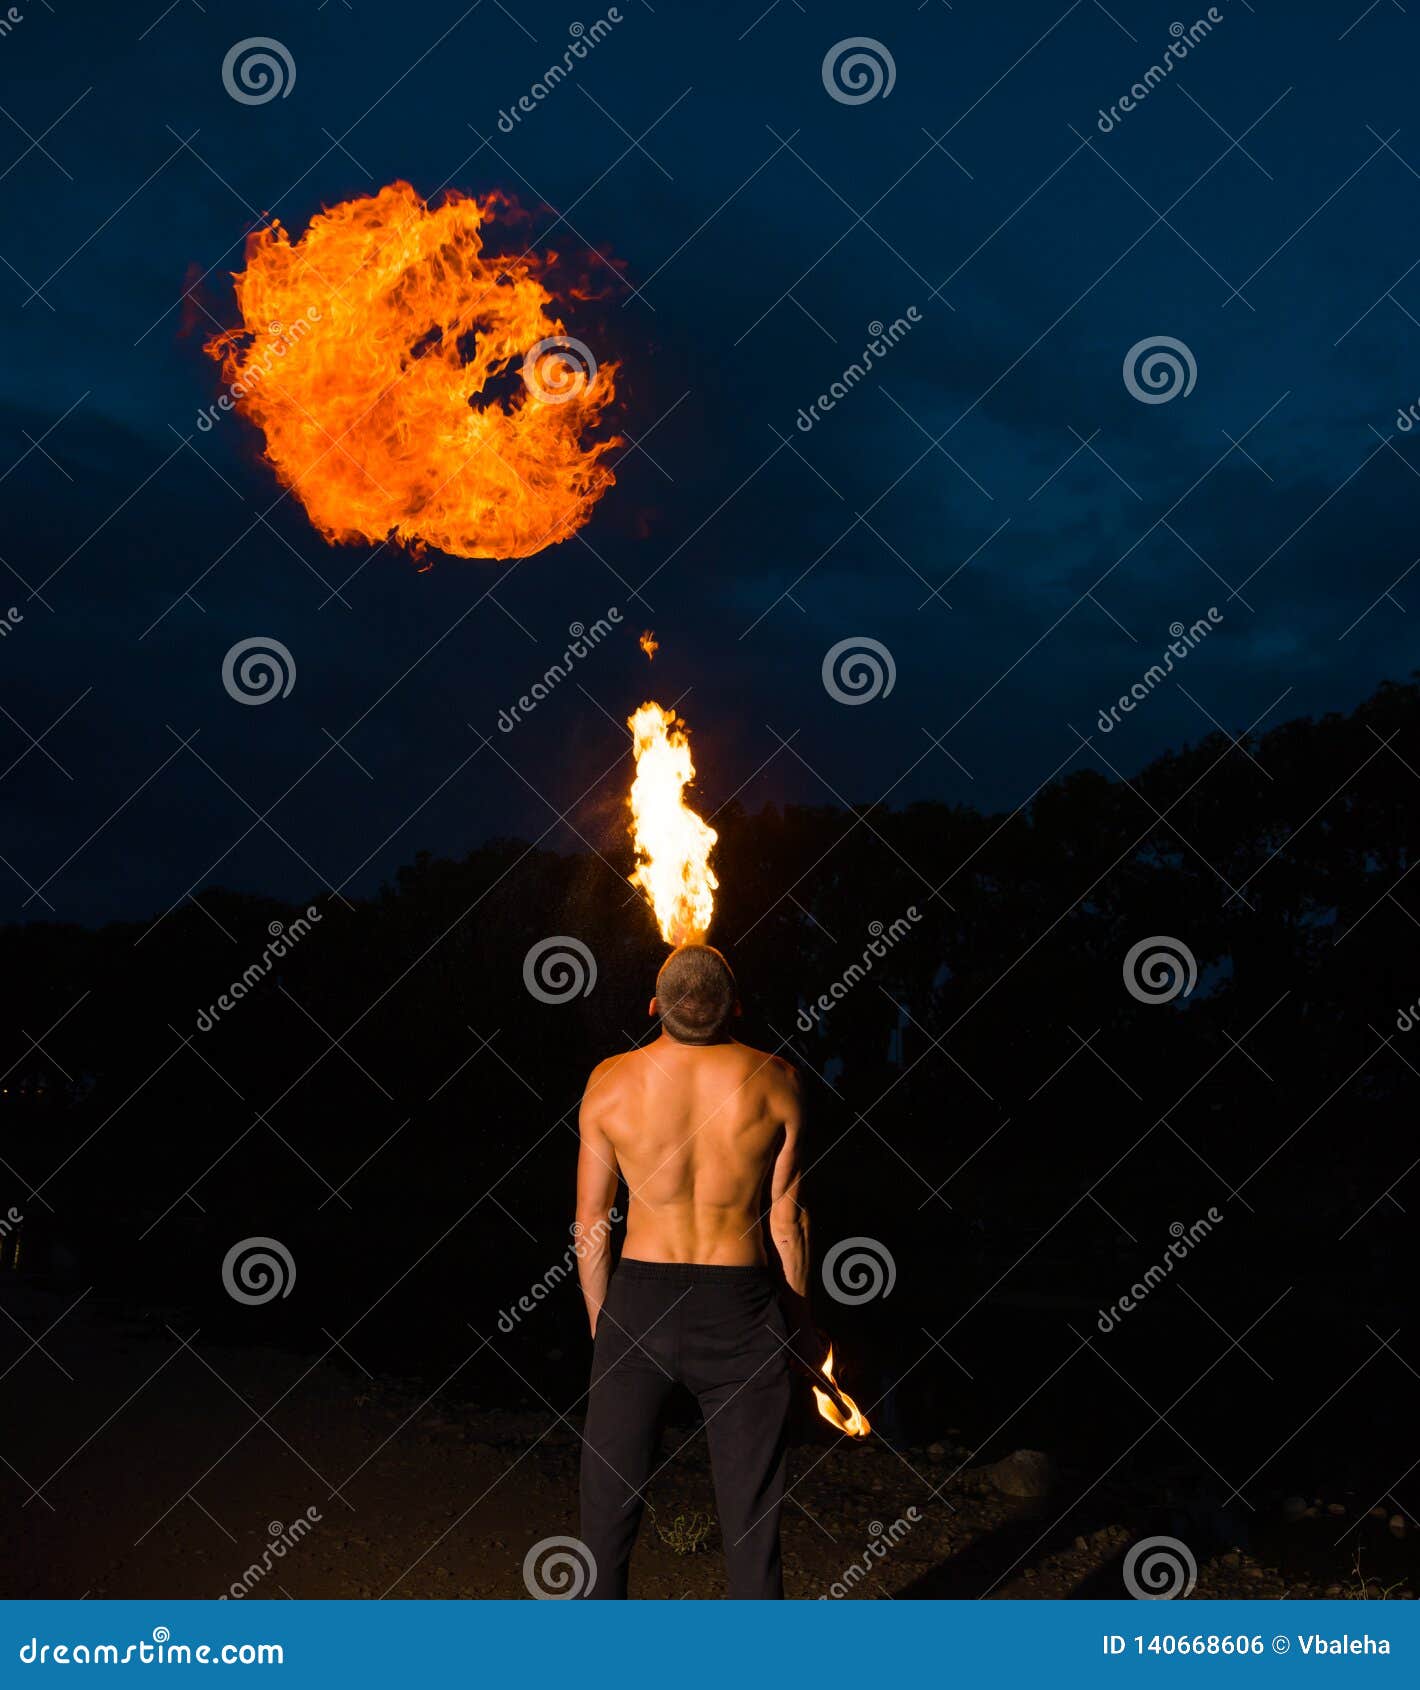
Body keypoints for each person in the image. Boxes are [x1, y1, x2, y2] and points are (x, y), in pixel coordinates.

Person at [574, 943, 813, 1599]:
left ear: (654, 1007)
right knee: (752, 1526)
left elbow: (591, 1223)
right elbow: (788, 1225)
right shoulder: (779, 1081)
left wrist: (605, 1325)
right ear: (735, 1009)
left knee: (605, 1520)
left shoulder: (609, 1081)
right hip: (741, 1311)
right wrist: (802, 1331)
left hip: (638, 1303)